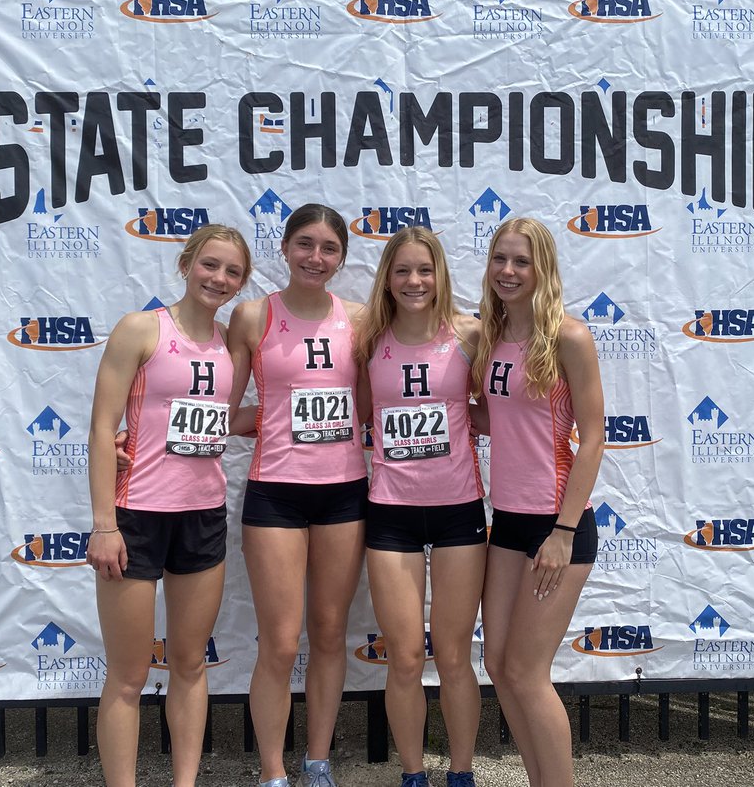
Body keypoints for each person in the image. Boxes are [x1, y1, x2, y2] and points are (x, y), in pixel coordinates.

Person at [87, 224, 255, 787]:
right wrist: (103, 524)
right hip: (136, 516)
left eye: (233, 271)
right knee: (129, 676)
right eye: (210, 265)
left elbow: (225, 421)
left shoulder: (231, 342)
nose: (220, 278)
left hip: (202, 515)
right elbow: (100, 429)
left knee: (189, 665)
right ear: (186, 265)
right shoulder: (141, 328)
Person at [226, 204, 367, 787]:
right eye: (305, 244)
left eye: (329, 248)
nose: (316, 257)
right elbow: (224, 409)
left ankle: (317, 761)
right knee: (281, 643)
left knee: (331, 633)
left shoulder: (359, 318)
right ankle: (272, 772)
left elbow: (372, 403)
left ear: (341, 258)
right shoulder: (253, 315)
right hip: (276, 495)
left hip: (344, 494)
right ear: (283, 248)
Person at [471, 218, 605, 787]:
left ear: (542, 268)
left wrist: (563, 530)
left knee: (527, 671)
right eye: (500, 258)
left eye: (521, 261)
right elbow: (489, 418)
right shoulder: (490, 336)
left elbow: (595, 435)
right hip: (506, 521)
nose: (508, 271)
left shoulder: (568, 336)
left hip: (557, 525)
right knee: (500, 666)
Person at [354, 228, 486, 787]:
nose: (414, 282)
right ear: (388, 276)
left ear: (441, 276)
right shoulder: (367, 341)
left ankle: (460, 772)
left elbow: (499, 407)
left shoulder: (471, 334)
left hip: (459, 509)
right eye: (403, 270)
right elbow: (353, 417)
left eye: (425, 271)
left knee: (455, 656)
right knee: (405, 656)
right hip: (390, 511)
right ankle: (413, 775)